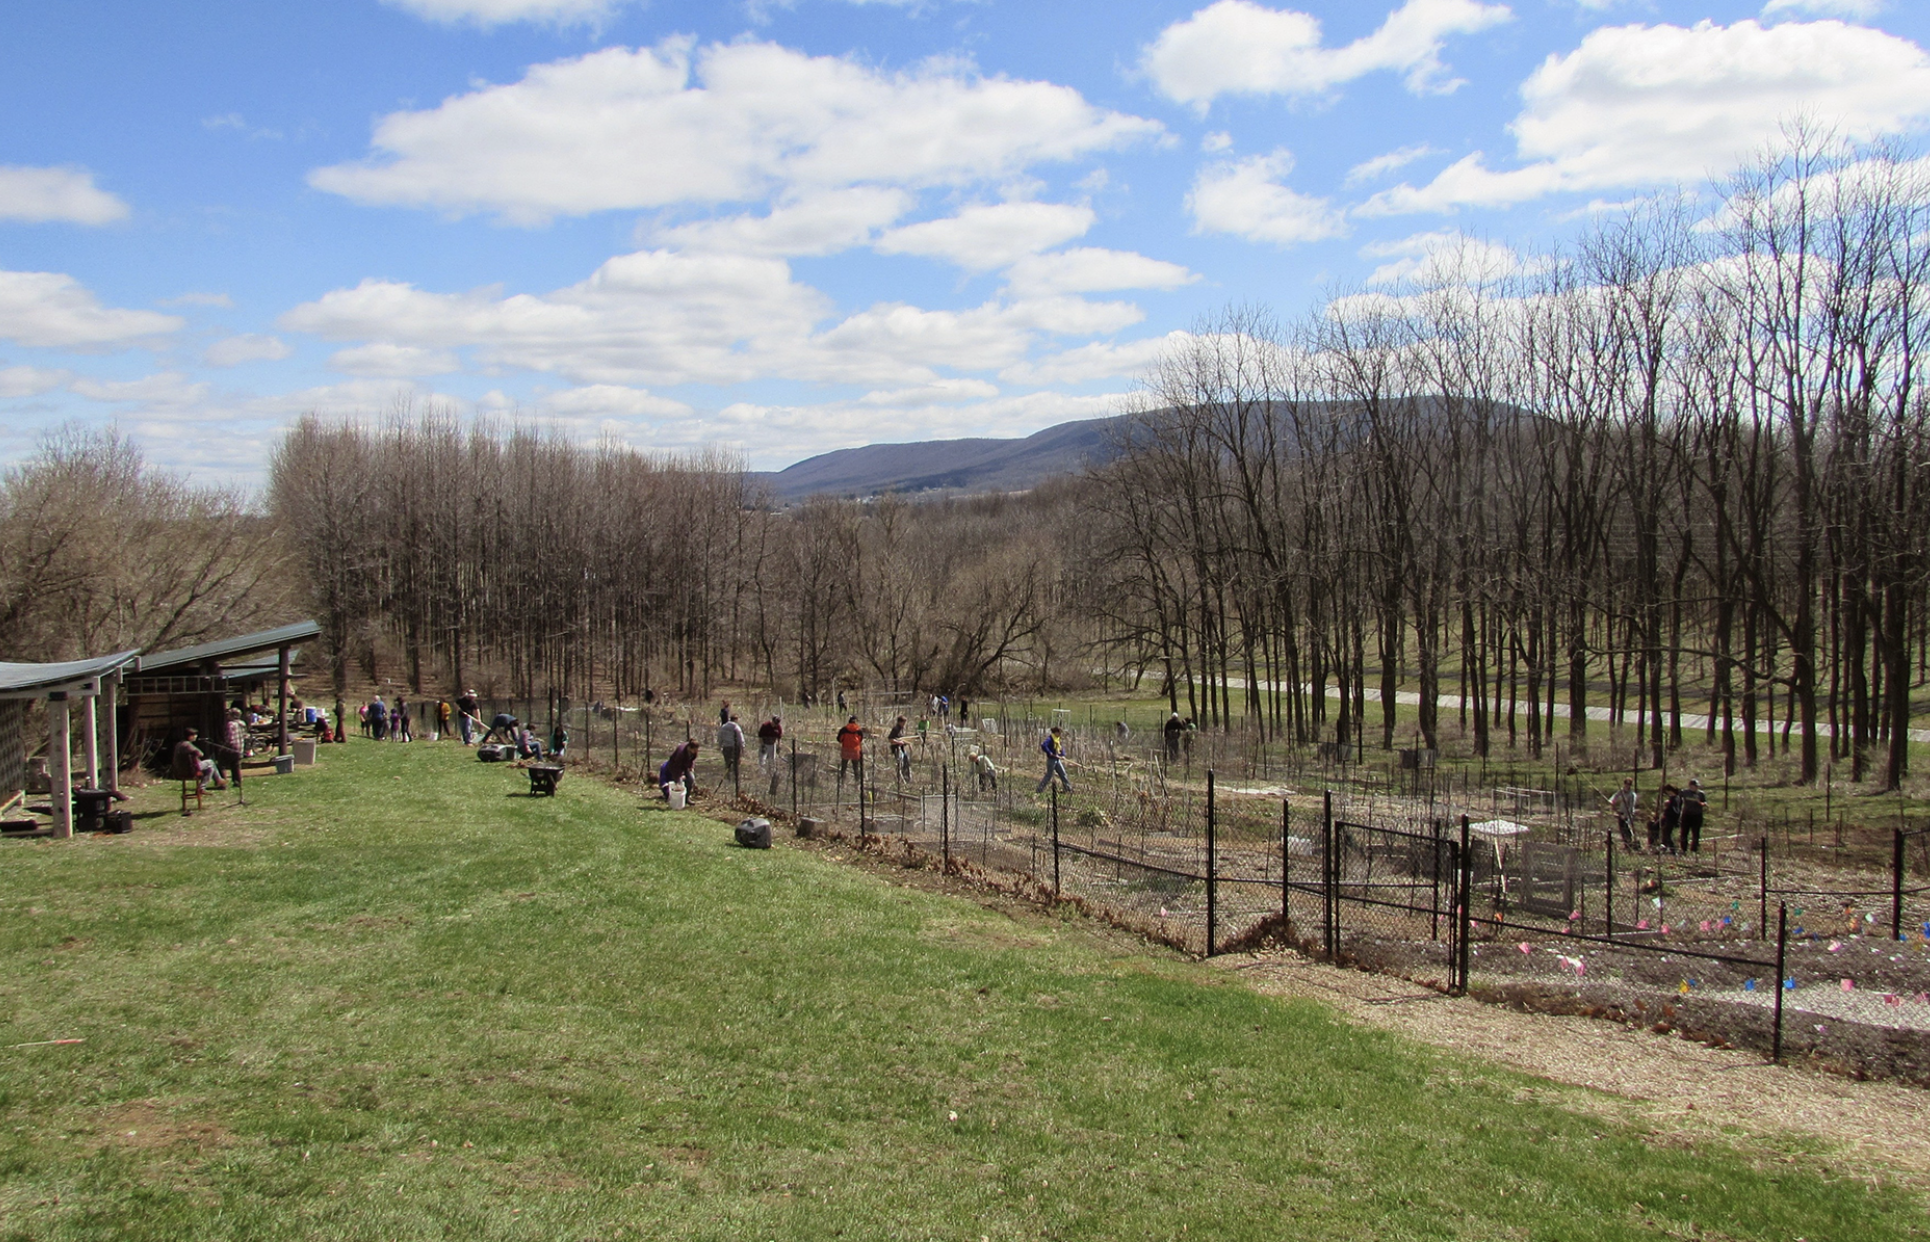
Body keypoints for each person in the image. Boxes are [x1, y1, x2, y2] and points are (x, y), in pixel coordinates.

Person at [1037, 726, 1072, 794]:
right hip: (1051, 760)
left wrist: (1062, 755)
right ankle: (1039, 789)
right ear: (1055, 732)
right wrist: (1050, 753)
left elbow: (1060, 748)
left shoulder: (1057, 739)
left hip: (1057, 760)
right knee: (1049, 775)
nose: (1060, 734)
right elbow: (1044, 745)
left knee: (1063, 773)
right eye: (1059, 733)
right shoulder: (1050, 739)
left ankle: (1068, 789)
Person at [1678, 778, 1708, 854]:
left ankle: (1694, 849)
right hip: (1686, 815)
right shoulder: (1685, 792)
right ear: (1690, 786)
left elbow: (1705, 804)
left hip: (1697, 815)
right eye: (1693, 786)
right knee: (1684, 832)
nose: (1695, 787)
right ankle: (1683, 849)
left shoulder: (1701, 794)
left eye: (1696, 786)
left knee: (1696, 833)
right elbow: (1677, 795)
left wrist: (1700, 802)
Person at [1608, 778, 1639, 849]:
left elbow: (1631, 806)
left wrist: (1626, 816)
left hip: (1628, 813)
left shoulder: (1632, 795)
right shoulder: (1621, 791)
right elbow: (1615, 796)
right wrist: (1612, 801)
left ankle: (1630, 843)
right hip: (1621, 812)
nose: (1627, 786)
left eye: (1628, 784)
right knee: (1621, 828)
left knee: (1627, 828)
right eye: (1626, 784)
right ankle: (1625, 843)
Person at [836, 715, 866, 789]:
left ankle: (842, 783)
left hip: (846, 749)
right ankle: (857, 784)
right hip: (855, 750)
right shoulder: (859, 730)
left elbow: (839, 739)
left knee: (844, 767)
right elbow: (860, 739)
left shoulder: (844, 729)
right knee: (856, 767)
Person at [717, 714, 745, 786]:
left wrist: (720, 745)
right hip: (735, 747)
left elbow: (720, 736)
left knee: (728, 763)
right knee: (736, 763)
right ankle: (736, 779)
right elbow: (740, 738)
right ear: (736, 720)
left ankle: (728, 777)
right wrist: (742, 747)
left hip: (726, 747)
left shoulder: (723, 727)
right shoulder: (736, 727)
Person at [888, 715, 912, 781]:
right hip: (897, 749)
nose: (904, 724)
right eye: (903, 722)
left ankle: (906, 778)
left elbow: (902, 738)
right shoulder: (895, 729)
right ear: (899, 722)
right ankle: (899, 779)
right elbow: (890, 739)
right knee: (900, 764)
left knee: (906, 762)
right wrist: (899, 742)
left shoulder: (902, 729)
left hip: (902, 749)